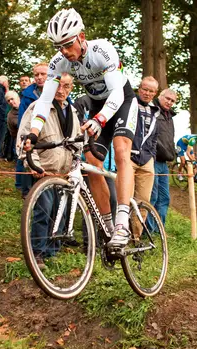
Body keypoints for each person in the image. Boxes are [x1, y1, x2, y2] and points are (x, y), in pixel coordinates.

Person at [27, 8, 139, 248]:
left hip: (122, 101)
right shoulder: (59, 63)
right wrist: (34, 132)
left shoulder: (103, 50)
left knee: (121, 151)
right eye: (59, 47)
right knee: (92, 163)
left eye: (68, 44)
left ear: (81, 36)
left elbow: (117, 93)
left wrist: (100, 119)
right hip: (99, 105)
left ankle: (122, 222)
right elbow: (45, 101)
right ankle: (108, 227)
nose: (65, 52)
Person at [18, 73, 82, 266]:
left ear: (71, 88)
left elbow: (78, 140)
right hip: (43, 169)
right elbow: (24, 139)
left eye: (67, 86)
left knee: (59, 212)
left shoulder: (72, 111)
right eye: (58, 86)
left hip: (64, 172)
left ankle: (52, 251)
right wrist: (33, 164)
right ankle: (36, 252)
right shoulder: (38, 107)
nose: (61, 91)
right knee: (43, 210)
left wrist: (76, 164)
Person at [129, 76, 160, 234]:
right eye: (144, 89)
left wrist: (151, 156)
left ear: (155, 93)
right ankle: (119, 236)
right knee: (124, 200)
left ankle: (136, 237)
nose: (147, 93)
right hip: (128, 157)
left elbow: (154, 138)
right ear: (139, 89)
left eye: (151, 91)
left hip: (146, 160)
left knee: (143, 201)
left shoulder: (155, 111)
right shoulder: (129, 104)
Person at [16, 63, 48, 196]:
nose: (39, 77)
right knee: (28, 159)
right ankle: (26, 191)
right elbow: (22, 118)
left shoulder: (59, 91)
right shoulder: (27, 95)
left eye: (43, 74)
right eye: (36, 75)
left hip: (49, 133)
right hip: (31, 131)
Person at [149, 88, 177, 226]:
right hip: (152, 159)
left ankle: (160, 228)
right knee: (152, 196)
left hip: (164, 162)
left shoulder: (169, 116)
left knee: (164, 197)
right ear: (160, 96)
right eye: (167, 98)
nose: (169, 102)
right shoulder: (151, 110)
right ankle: (148, 229)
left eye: (172, 100)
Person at [5, 91, 20, 162]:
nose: (10, 101)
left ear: (17, 98)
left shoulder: (28, 106)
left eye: (12, 99)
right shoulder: (10, 116)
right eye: (8, 101)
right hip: (20, 140)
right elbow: (12, 132)